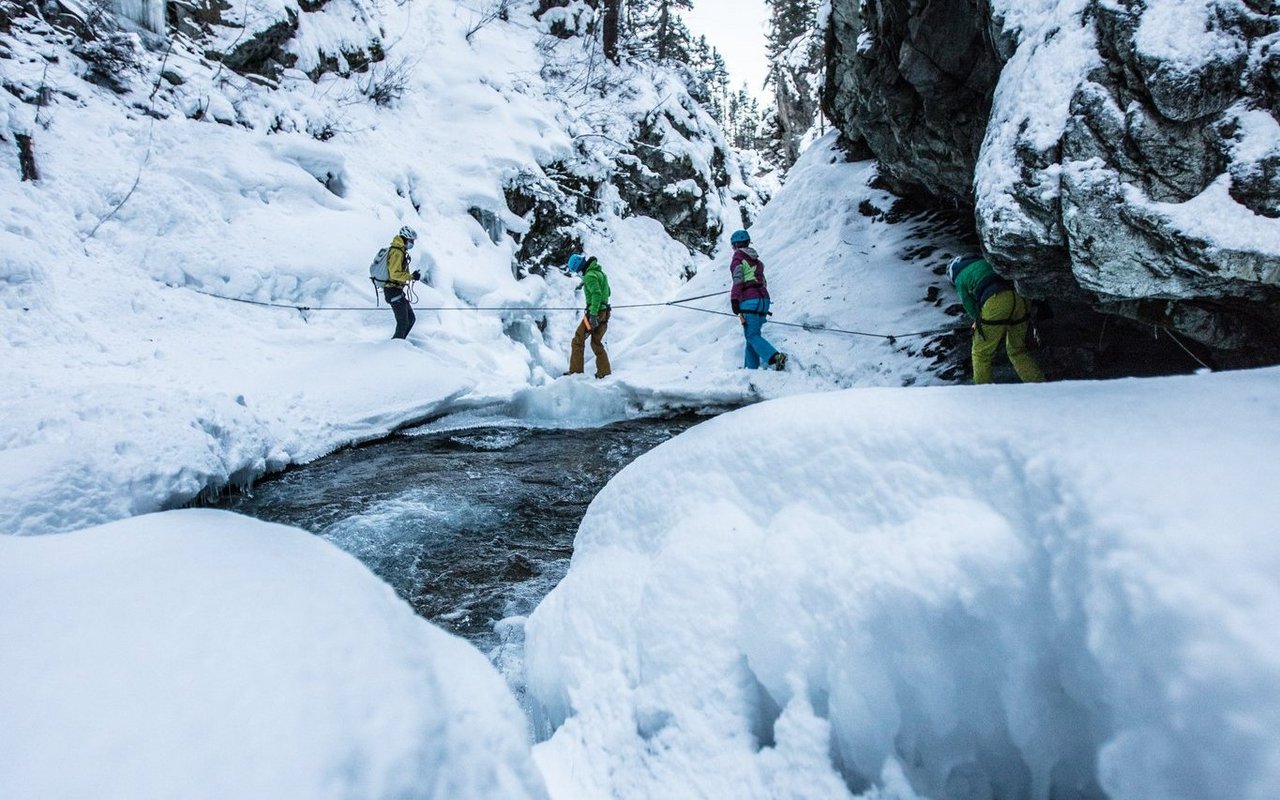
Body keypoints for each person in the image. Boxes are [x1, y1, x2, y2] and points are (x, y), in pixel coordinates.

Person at [947, 254, 1045, 384]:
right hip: (1021, 298)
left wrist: (978, 320)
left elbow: (968, 304)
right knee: (1017, 350)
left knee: (981, 354)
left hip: (996, 301)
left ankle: (984, 393)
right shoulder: (985, 261)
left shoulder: (960, 277)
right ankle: (1039, 385)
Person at [729, 229, 786, 371]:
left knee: (752, 336)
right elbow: (763, 282)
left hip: (749, 301)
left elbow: (738, 280)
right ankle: (750, 370)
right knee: (751, 337)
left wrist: (734, 299)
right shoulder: (757, 262)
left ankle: (775, 357)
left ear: (735, 245)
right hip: (763, 300)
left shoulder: (738, 259)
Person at [566, 254, 612, 379]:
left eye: (577, 271)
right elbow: (608, 291)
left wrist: (592, 314)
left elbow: (596, 294)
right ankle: (604, 372)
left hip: (595, 314)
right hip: (604, 313)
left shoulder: (590, 276)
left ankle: (575, 372)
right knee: (596, 342)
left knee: (578, 340)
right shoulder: (600, 273)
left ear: (579, 267)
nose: (578, 274)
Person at [384, 225, 421, 340]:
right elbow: (394, 274)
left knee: (410, 319)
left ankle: (399, 344)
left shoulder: (400, 250)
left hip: (396, 290)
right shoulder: (397, 252)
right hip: (392, 290)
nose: (412, 244)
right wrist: (410, 276)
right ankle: (395, 348)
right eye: (411, 241)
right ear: (405, 238)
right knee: (403, 322)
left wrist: (411, 276)